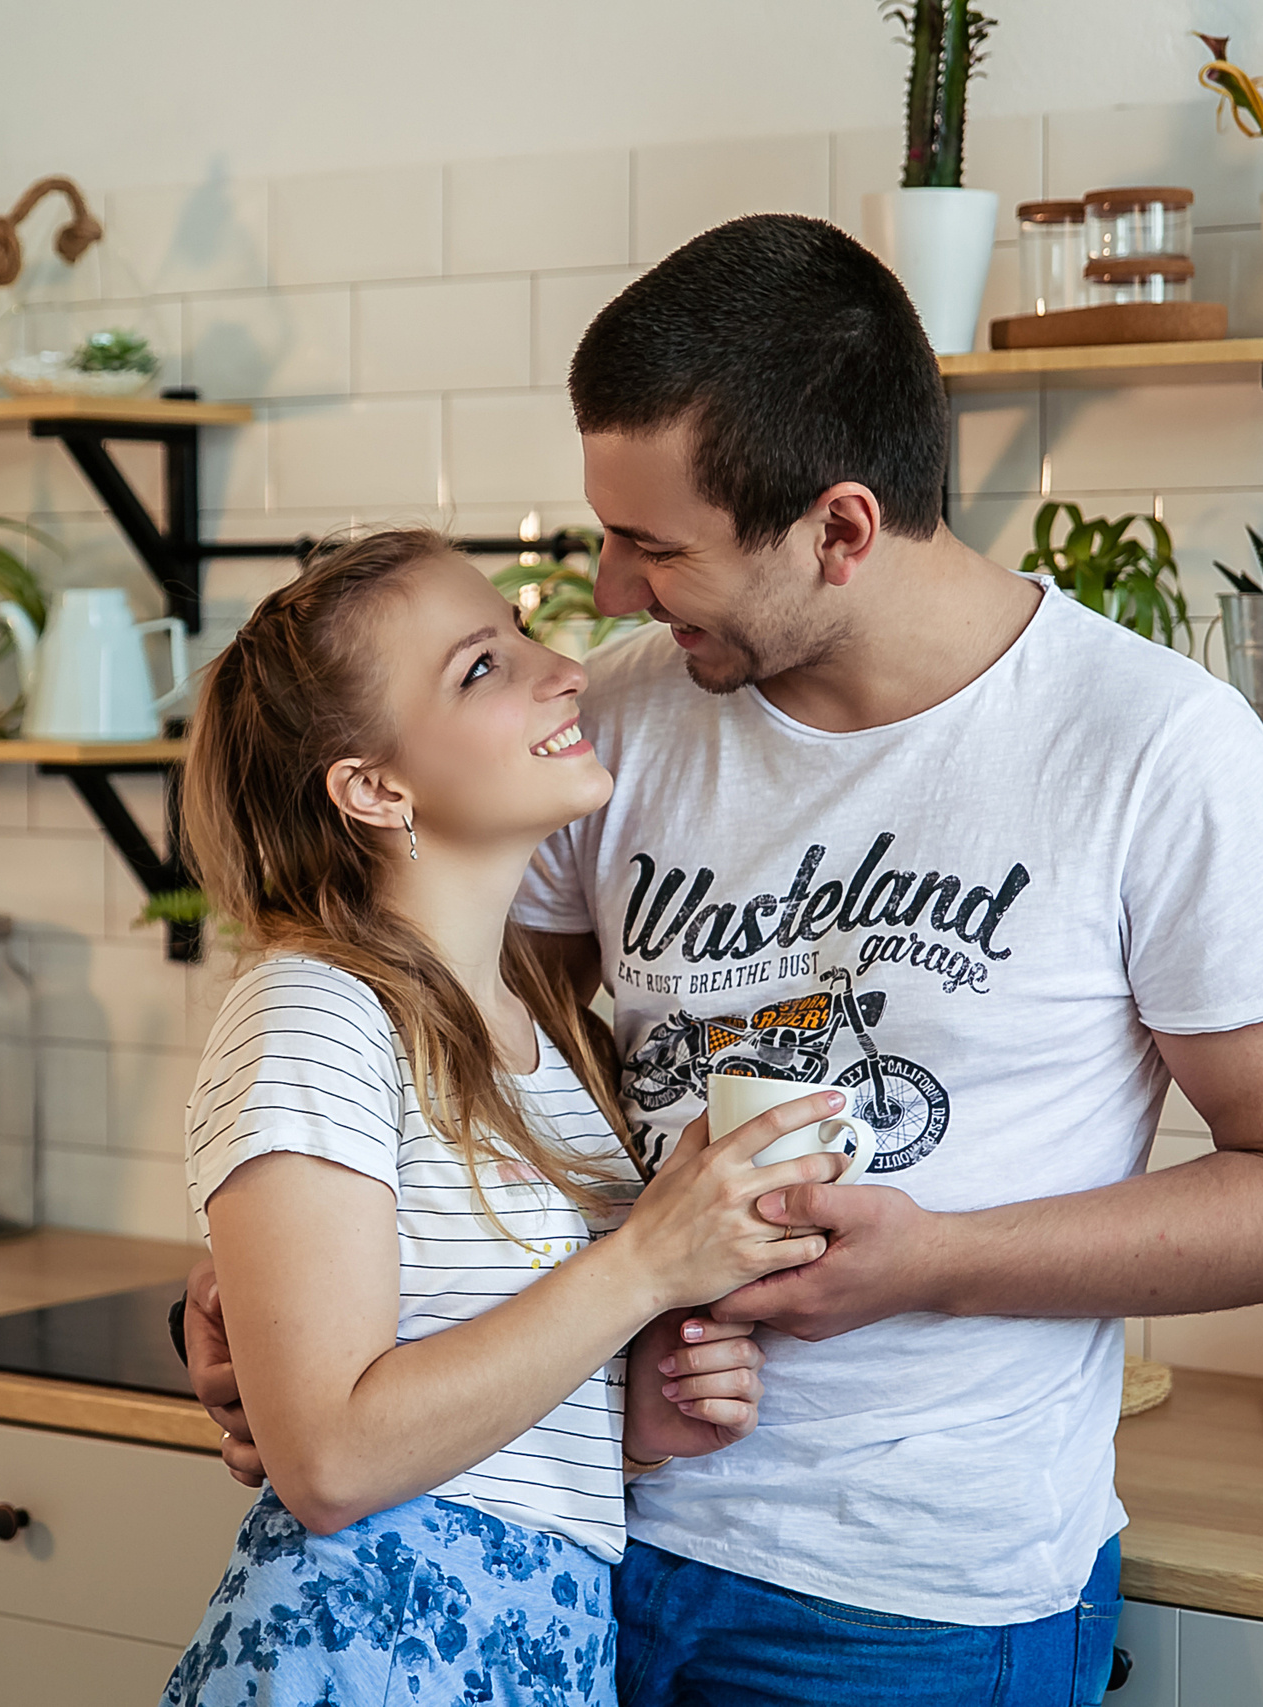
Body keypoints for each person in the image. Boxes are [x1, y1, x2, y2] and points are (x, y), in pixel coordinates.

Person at [183, 215, 1263, 1706]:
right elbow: (444, 1041)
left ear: (838, 525)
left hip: (899, 1601)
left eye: (657, 545)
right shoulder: (624, 722)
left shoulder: (1154, 751)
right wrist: (301, 1264)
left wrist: (938, 1263)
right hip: (569, 1544)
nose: (614, 596)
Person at [158, 528, 857, 1707]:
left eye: (522, 636)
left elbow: (482, 1402)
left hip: (531, 1643)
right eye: (481, 666)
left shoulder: (534, 1033)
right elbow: (330, 1462)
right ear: (375, 789)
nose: (564, 668)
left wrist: (639, 1420)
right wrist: (644, 1268)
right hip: (369, 1646)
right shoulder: (312, 1008)